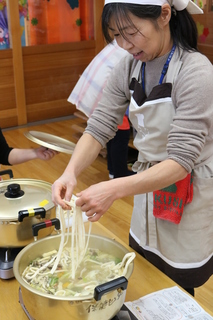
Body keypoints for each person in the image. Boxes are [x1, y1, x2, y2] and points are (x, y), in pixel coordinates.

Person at [52, 0, 213, 296]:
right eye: (116, 35)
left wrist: (113, 189)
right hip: (147, 181)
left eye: (131, 33)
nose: (124, 45)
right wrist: (70, 173)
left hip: (186, 184)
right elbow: (100, 124)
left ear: (164, 15)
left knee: (177, 278)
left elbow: (180, 161)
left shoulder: (196, 72)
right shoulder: (129, 64)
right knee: (146, 264)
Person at [68, 40, 136, 179]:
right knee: (120, 133)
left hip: (102, 89)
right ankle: (119, 172)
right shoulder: (130, 47)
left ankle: (113, 170)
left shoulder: (118, 44)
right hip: (109, 91)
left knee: (111, 133)